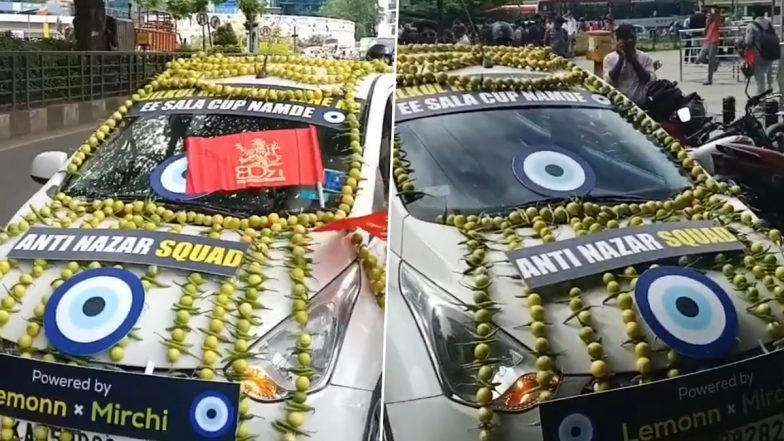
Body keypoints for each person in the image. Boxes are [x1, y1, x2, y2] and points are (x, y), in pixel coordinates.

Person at [602, 24, 657, 107]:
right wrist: (621, 59)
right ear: (618, 40)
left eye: (632, 37)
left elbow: (649, 80)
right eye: (626, 38)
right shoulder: (609, 58)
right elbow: (609, 81)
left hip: (639, 107)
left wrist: (633, 60)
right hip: (617, 106)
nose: (630, 41)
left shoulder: (645, 57)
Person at [745, 12, 780, 95]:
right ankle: (769, 90)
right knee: (769, 75)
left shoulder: (752, 25)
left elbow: (748, 41)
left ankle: (761, 98)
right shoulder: (769, 23)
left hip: (759, 54)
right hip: (770, 53)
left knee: (760, 79)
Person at [698, 8, 722, 85]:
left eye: (710, 14)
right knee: (700, 57)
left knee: (711, 59)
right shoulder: (708, 22)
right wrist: (707, 23)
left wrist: (714, 14)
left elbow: (718, 18)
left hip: (714, 41)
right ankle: (715, 63)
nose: (709, 15)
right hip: (707, 40)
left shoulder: (716, 20)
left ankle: (709, 79)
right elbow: (705, 31)